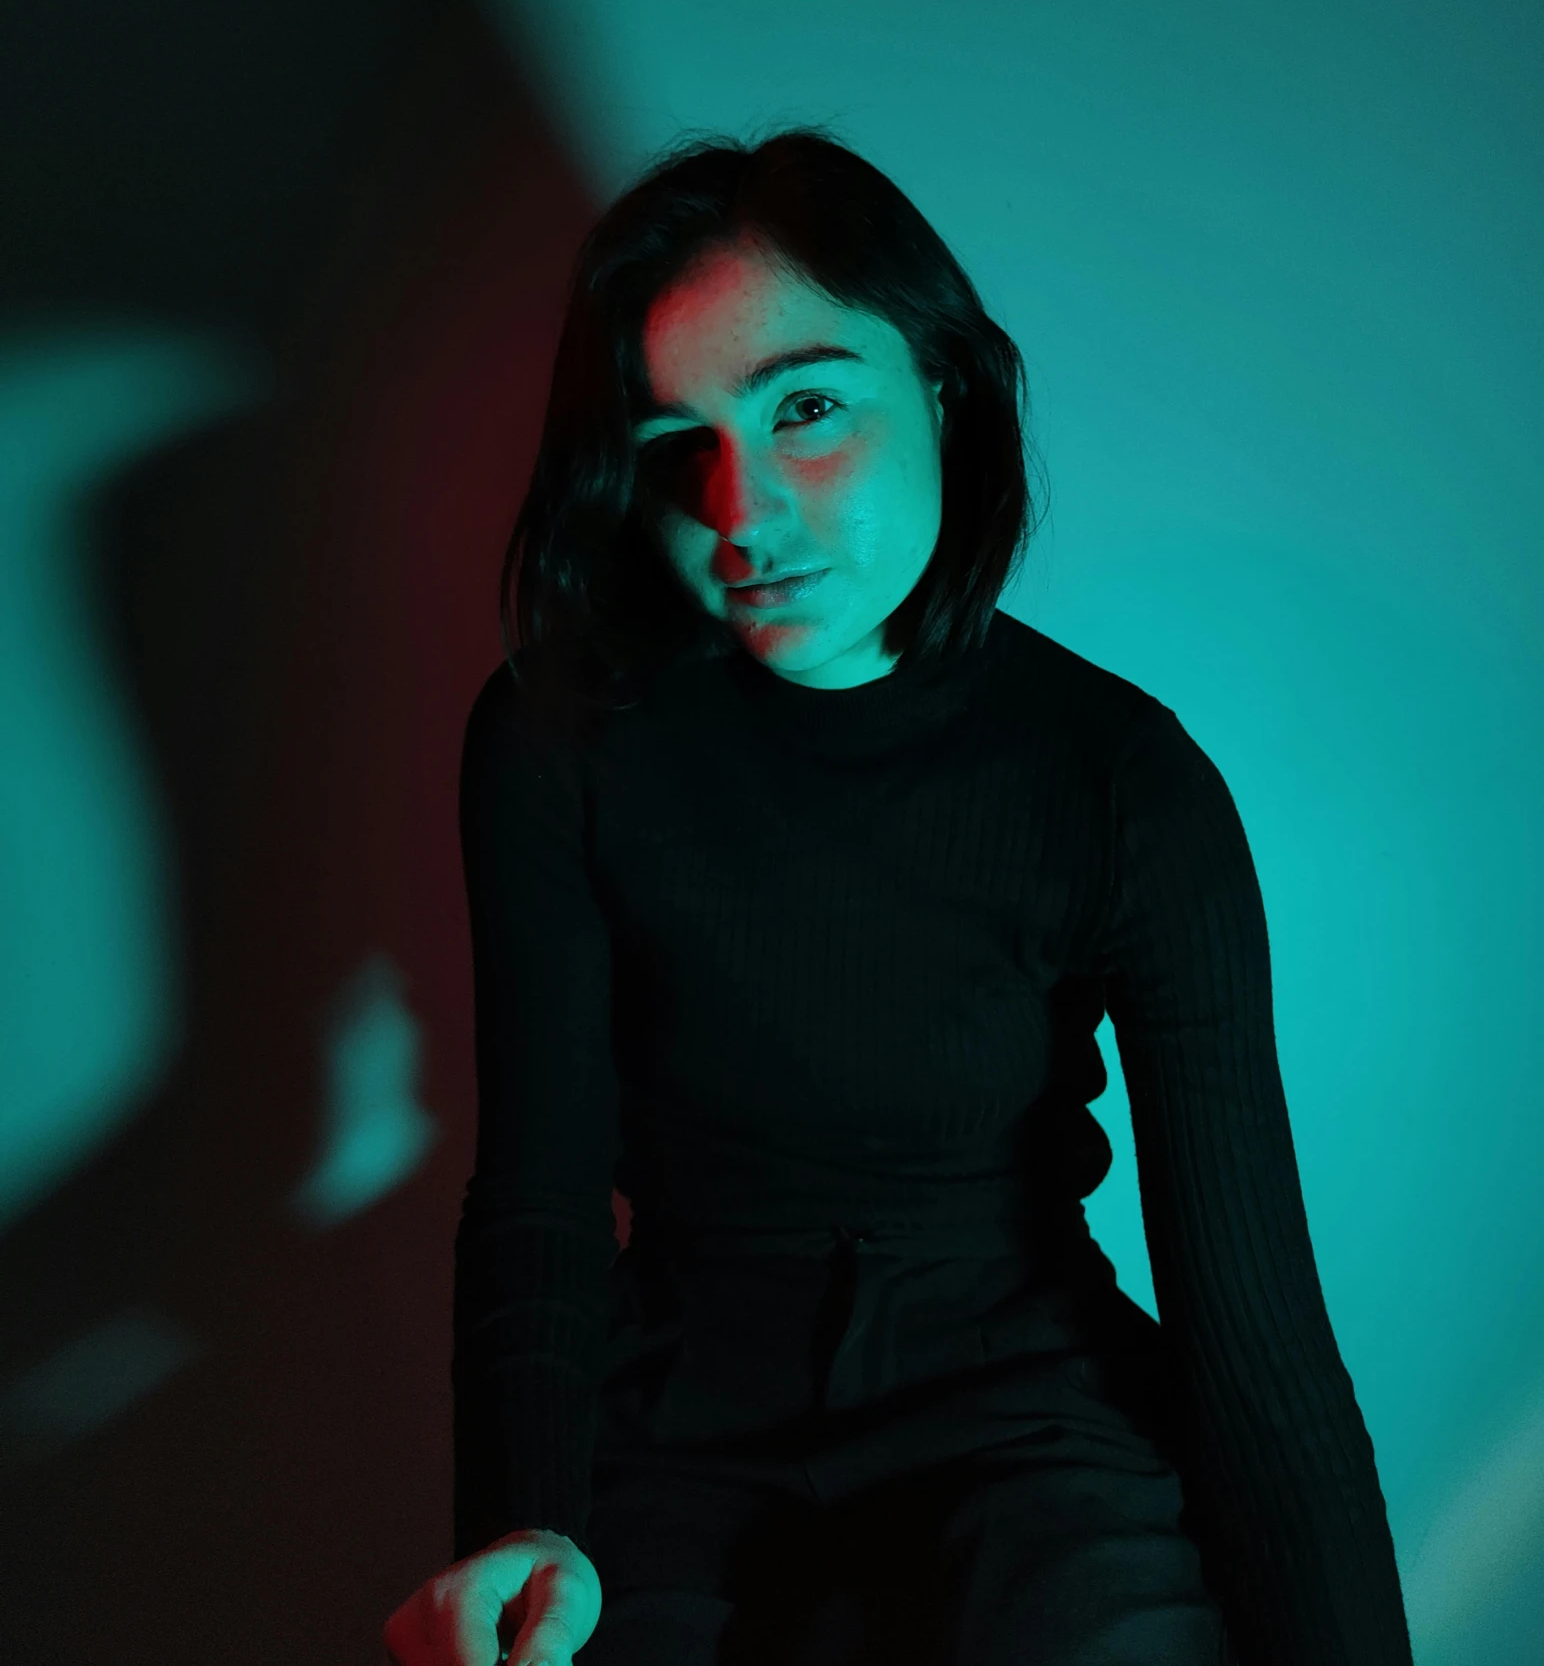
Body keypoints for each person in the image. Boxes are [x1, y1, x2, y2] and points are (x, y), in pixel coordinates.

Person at [383, 130, 1416, 1666]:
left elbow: (1251, 1335)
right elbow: (537, 1196)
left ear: (940, 387)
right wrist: (523, 1529)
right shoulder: (556, 742)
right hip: (672, 1434)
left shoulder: (1118, 778)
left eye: (805, 408)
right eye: (678, 445)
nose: (743, 511)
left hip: (1022, 1427)